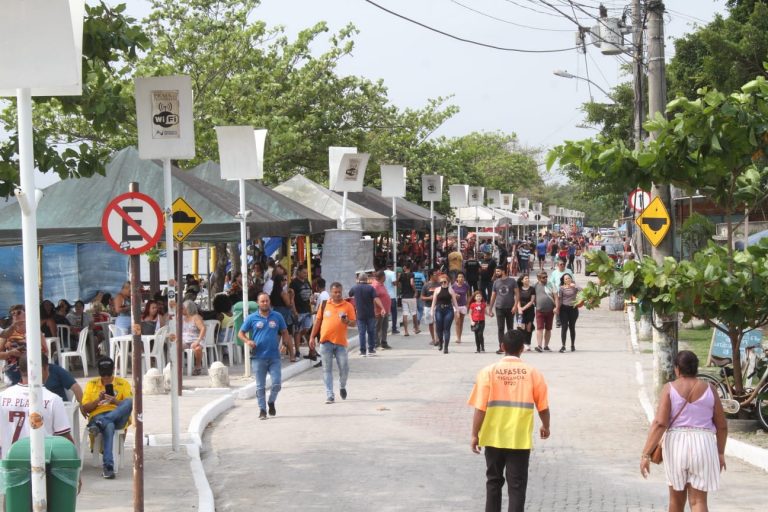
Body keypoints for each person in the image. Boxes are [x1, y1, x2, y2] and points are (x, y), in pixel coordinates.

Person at [468, 330, 550, 512]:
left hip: (493, 437)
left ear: (502, 347)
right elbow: (543, 407)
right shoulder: (533, 373)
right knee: (517, 486)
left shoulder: (487, 372)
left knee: (493, 483)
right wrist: (546, 425)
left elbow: (480, 408)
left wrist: (475, 434)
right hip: (519, 439)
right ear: (523, 349)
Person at [640, 351, 727, 512]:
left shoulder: (669, 388)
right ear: (696, 368)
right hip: (704, 444)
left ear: (677, 369)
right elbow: (722, 426)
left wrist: (646, 454)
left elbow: (660, 423)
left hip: (676, 444)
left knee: (676, 501)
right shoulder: (710, 389)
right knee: (698, 501)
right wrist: (720, 453)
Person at [0, 355, 74, 460]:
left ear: (20, 370)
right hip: (42, 465)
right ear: (44, 369)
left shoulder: (2, 397)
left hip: (9, 466)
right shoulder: (53, 399)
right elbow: (65, 440)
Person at [238, 293, 292, 420]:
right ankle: (262, 409)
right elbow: (240, 333)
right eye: (262, 301)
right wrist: (248, 341)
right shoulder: (252, 318)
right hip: (258, 357)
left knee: (277, 383)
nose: (265, 303)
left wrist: (284, 344)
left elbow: (285, 332)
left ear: (269, 302)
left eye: (267, 301)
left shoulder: (277, 316)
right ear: (258, 303)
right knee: (260, 386)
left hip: (274, 356)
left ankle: (271, 401)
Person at [82, 357, 133, 479]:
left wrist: (114, 401)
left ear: (113, 370)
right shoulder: (91, 384)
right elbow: (85, 408)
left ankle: (102, 422)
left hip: (118, 415)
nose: (106, 377)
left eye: (108, 373)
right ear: (99, 372)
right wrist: (98, 400)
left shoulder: (123, 383)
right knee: (109, 426)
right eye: (103, 374)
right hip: (97, 415)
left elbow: (128, 406)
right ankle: (108, 467)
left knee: (129, 402)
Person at [308, 282, 356, 404]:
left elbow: (354, 323)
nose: (337, 294)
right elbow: (318, 322)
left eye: (339, 292)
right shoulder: (324, 305)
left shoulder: (348, 306)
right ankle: (330, 394)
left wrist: (347, 322)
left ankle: (342, 386)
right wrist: (312, 337)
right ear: (331, 292)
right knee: (326, 369)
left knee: (344, 368)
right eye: (335, 292)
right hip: (325, 342)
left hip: (341, 343)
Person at [349, 272, 384, 357]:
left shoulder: (355, 288)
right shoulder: (370, 288)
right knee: (371, 332)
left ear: (359, 279)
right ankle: (371, 350)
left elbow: (350, 294)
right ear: (366, 279)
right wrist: (382, 307)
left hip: (360, 314)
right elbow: (376, 298)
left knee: (362, 333)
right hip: (370, 314)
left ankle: (363, 351)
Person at [487, 266, 520, 355]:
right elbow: (493, 296)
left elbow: (517, 294)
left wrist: (515, 306)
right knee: (500, 328)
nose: (496, 273)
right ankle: (501, 347)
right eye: (496, 271)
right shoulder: (496, 282)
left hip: (510, 308)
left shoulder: (512, 281)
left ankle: (510, 348)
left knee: (510, 328)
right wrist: (490, 309)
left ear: (503, 271)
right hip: (499, 308)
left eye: (498, 271)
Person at [269, 274, 297, 361]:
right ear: (280, 282)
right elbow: (289, 305)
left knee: (276, 335)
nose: (285, 281)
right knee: (287, 334)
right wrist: (292, 297)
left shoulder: (272, 293)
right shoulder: (282, 293)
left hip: (275, 313)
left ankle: (272, 354)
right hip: (284, 314)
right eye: (284, 280)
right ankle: (292, 356)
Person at [430, 274, 459, 354]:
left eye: (445, 281)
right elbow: (434, 301)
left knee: (447, 329)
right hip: (439, 309)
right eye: (441, 282)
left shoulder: (451, 290)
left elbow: (454, 302)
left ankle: (446, 347)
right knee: (439, 329)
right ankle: (440, 342)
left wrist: (457, 311)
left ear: (447, 281)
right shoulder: (437, 290)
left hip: (448, 310)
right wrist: (432, 310)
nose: (443, 283)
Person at [290, 267, 314, 360]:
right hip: (298, 311)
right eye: (304, 272)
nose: (306, 274)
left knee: (306, 329)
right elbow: (292, 299)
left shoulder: (307, 282)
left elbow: (309, 295)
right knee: (297, 331)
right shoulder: (294, 283)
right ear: (298, 272)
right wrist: (294, 311)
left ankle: (311, 350)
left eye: (306, 273)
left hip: (307, 310)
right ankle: (297, 351)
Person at [556, 274, 582, 352]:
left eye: (569, 278)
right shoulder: (561, 288)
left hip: (573, 309)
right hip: (564, 309)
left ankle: (572, 345)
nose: (568, 280)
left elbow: (583, 291)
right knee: (564, 327)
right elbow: (560, 299)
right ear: (564, 281)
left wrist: (576, 285)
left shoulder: (574, 287)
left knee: (572, 327)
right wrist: (557, 308)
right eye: (566, 279)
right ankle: (563, 345)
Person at [533, 271, 558, 352]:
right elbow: (531, 296)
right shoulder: (535, 286)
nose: (546, 278)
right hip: (539, 310)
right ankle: (539, 346)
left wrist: (557, 307)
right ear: (539, 278)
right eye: (543, 277)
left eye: (546, 277)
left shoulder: (551, 284)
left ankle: (546, 346)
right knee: (539, 328)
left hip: (550, 310)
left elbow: (556, 297)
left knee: (548, 328)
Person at [181, 300, 207, 374]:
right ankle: (177, 366)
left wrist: (198, 341)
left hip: (196, 339)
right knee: (175, 347)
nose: (181, 310)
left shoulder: (196, 317)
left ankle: (198, 366)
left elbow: (203, 328)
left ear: (188, 308)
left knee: (197, 348)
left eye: (183, 308)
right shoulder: (182, 318)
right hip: (185, 340)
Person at [371, 271, 392, 350]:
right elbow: (373, 299)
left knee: (384, 327)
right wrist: (375, 310)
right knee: (377, 328)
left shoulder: (381, 284)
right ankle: (376, 344)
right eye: (384, 276)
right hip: (379, 311)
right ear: (382, 277)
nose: (385, 278)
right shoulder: (375, 286)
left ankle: (384, 342)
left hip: (385, 310)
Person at [398, 263, 419, 336]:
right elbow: (412, 283)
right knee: (414, 313)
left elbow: (399, 284)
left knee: (405, 313)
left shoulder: (401, 275)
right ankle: (416, 329)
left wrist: (402, 289)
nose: (403, 267)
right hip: (411, 296)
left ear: (405, 267)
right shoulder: (411, 274)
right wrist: (415, 291)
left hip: (404, 296)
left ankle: (406, 331)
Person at [421, 270, 440, 346]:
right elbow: (422, 297)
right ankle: (433, 339)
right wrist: (429, 298)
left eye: (437, 275)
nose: (437, 276)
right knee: (430, 323)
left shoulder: (439, 285)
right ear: (431, 276)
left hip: (437, 306)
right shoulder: (426, 285)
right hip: (428, 307)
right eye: (435, 275)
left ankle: (438, 339)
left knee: (438, 323)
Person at [517, 274, 536, 350]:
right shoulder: (518, 289)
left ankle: (527, 344)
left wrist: (523, 308)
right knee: (521, 327)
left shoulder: (532, 289)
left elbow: (532, 301)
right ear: (522, 280)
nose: (527, 279)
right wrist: (519, 308)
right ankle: (521, 344)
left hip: (529, 310)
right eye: (525, 278)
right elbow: (517, 299)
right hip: (520, 311)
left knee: (528, 327)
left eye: (528, 278)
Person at [452, 272, 470, 344]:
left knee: (461, 322)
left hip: (463, 305)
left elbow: (469, 295)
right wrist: (455, 296)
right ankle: (457, 338)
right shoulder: (453, 286)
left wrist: (467, 305)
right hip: (456, 306)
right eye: (459, 277)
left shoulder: (466, 286)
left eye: (462, 277)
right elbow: (450, 295)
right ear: (456, 278)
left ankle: (460, 337)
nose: (461, 278)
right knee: (457, 322)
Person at [383, 263, 399, 334]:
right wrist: (398, 278)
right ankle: (394, 329)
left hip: (384, 295)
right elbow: (394, 283)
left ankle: (384, 329)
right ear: (392, 267)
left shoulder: (383, 273)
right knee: (394, 313)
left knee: (384, 313)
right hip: (391, 296)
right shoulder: (392, 273)